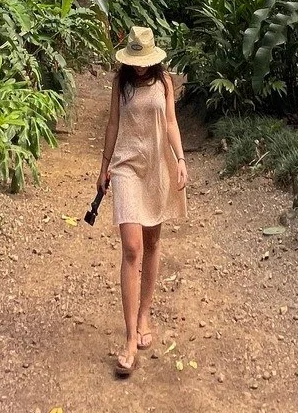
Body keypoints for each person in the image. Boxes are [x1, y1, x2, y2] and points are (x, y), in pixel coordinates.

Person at [96, 24, 188, 377]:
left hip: (156, 168)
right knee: (131, 248)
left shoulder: (164, 83)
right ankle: (130, 338)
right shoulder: (121, 83)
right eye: (133, 59)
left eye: (142, 60)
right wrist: (103, 167)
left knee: (152, 243)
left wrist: (180, 160)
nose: (137, 66)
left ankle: (144, 313)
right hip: (126, 168)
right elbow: (112, 124)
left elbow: (171, 124)